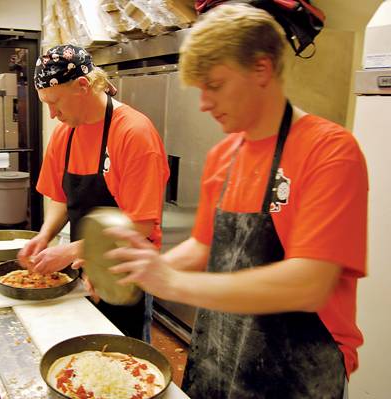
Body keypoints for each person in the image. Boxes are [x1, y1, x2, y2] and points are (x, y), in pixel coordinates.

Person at [106, 4, 367, 398]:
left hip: (297, 370)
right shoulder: (223, 156)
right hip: (219, 354)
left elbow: (310, 284)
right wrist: (147, 268)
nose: (204, 104)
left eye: (215, 85)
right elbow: (204, 245)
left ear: (261, 69)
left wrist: (174, 282)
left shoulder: (329, 150)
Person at [17, 45, 169, 341]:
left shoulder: (134, 134)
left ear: (83, 86)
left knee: (125, 352)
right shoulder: (65, 132)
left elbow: (141, 224)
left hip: (127, 269)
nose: (51, 115)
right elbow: (61, 197)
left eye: (55, 103)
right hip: (83, 265)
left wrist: (71, 250)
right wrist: (45, 236)